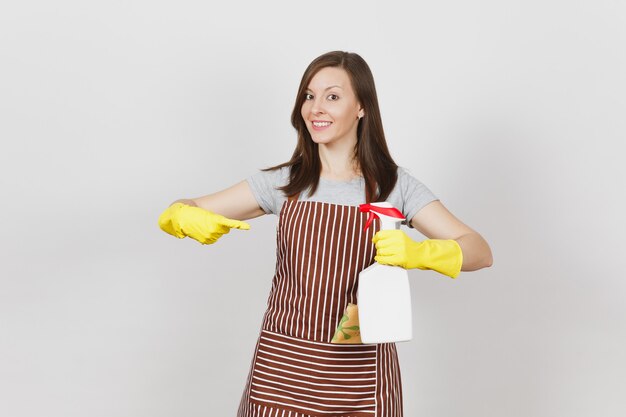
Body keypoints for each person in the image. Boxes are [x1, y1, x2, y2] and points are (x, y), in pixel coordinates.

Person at [157, 50, 493, 417]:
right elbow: (188, 204)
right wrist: (181, 216)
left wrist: (422, 254)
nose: (316, 107)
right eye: (309, 95)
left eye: (332, 96)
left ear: (362, 106)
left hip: (360, 380)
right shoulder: (284, 183)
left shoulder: (394, 187)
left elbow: (479, 250)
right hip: (280, 374)